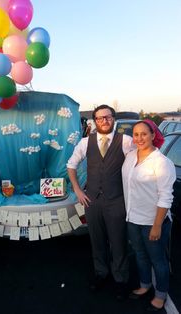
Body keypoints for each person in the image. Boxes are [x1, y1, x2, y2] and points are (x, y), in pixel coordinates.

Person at [67, 104, 134, 299]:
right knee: (97, 241)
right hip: (92, 201)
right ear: (94, 121)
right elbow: (71, 166)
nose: (104, 121)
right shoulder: (85, 143)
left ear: (113, 119)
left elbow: (140, 162)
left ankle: (121, 279)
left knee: (119, 242)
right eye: (99, 118)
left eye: (108, 117)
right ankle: (101, 274)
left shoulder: (126, 141)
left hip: (117, 200)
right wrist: (78, 190)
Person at [122, 119, 176, 311]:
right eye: (136, 134)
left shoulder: (161, 163)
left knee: (157, 259)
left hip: (152, 221)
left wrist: (157, 225)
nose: (139, 138)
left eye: (144, 134)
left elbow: (165, 198)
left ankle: (161, 294)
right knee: (140, 255)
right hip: (133, 219)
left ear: (153, 135)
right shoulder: (130, 156)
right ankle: (145, 285)